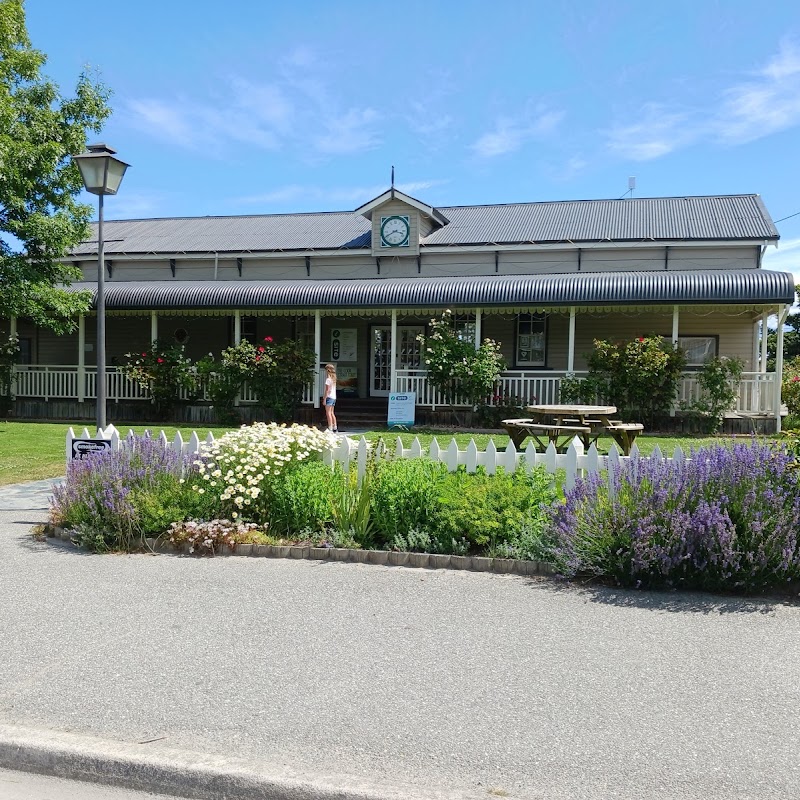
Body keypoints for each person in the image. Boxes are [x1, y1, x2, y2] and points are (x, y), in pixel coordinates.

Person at [323, 363, 338, 433]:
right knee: (332, 412)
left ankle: (330, 427)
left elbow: (327, 390)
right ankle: (335, 426)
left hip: (329, 397)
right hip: (334, 397)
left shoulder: (328, 380)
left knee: (328, 413)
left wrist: (324, 399)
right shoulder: (333, 379)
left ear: (328, 370)